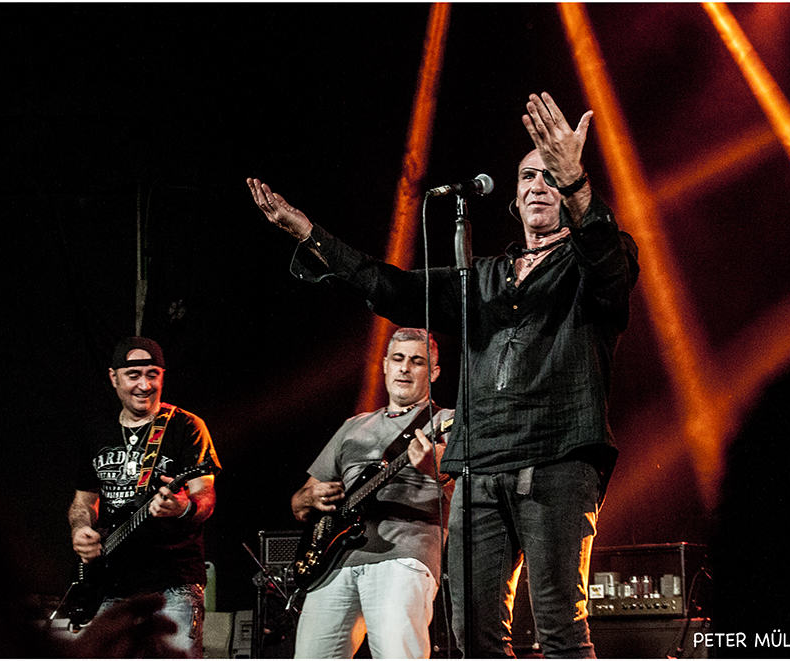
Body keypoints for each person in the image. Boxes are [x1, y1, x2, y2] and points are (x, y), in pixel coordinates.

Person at [247, 92, 639, 658]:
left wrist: (576, 180)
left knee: (559, 630)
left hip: (556, 460)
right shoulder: (482, 277)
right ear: (514, 197)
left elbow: (608, 264)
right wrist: (311, 236)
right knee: (474, 636)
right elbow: (391, 287)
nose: (539, 185)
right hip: (478, 467)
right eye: (529, 176)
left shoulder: (595, 260)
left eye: (551, 176)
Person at [289, 327, 454, 658]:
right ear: (385, 365)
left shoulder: (448, 421)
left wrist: (432, 466)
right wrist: (310, 497)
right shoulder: (353, 425)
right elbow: (300, 502)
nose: (405, 367)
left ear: (434, 373)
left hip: (404, 555)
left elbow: (468, 489)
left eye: (417, 361)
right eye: (398, 358)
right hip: (334, 561)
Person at [68, 336, 221, 657]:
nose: (144, 385)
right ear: (114, 378)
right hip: (111, 584)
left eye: (153, 375)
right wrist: (80, 530)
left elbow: (205, 496)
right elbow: (83, 501)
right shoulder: (97, 431)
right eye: (133, 375)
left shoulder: (186, 426)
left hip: (173, 582)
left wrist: (182, 508)